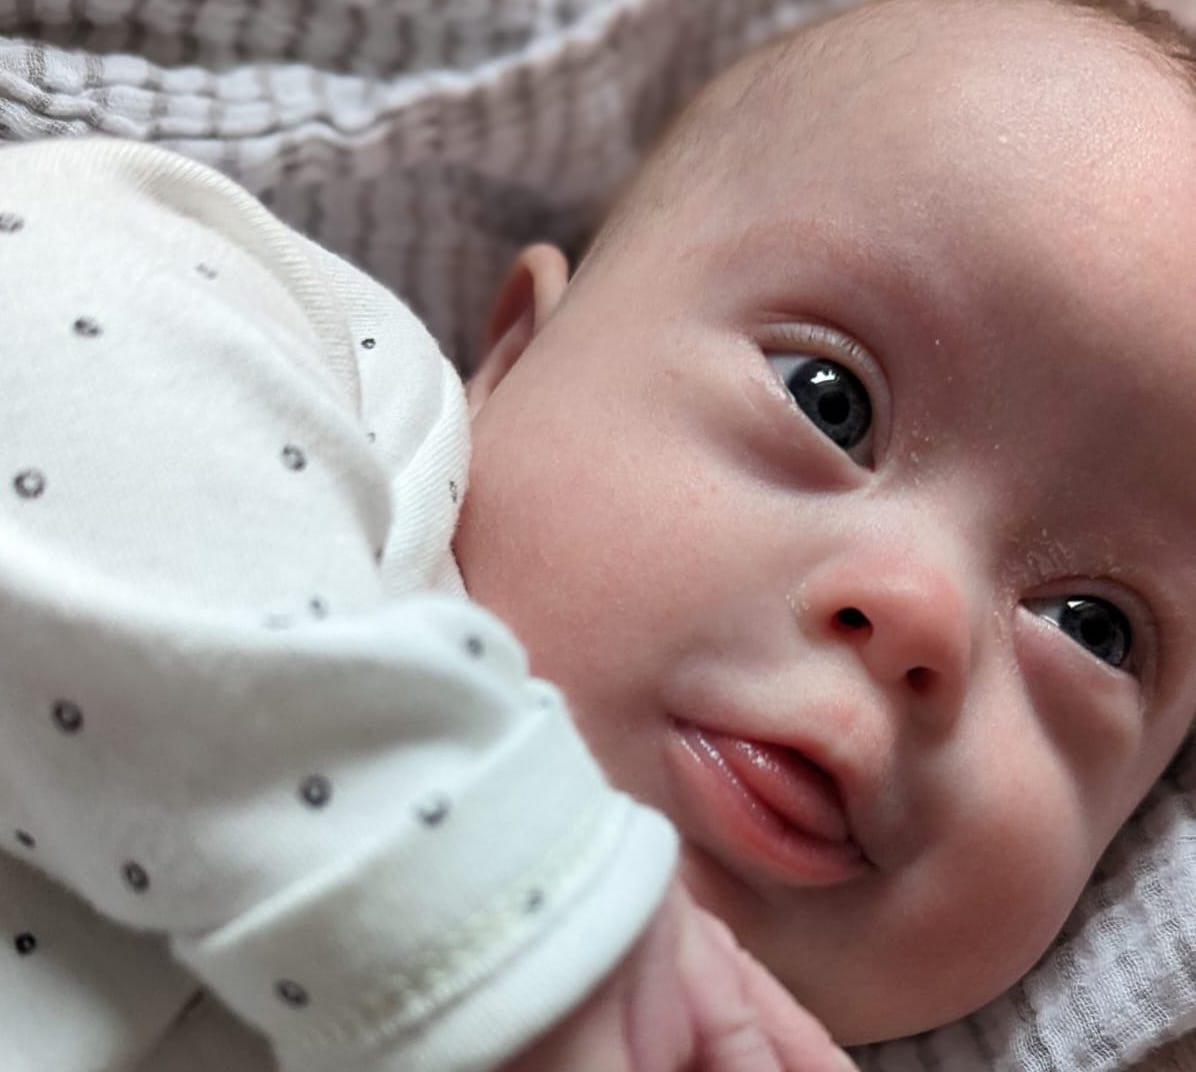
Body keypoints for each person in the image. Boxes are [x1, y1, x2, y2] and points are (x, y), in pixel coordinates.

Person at [0, 0, 1193, 1069]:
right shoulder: (364, 449)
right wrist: (479, 904)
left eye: (1092, 625)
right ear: (516, 357)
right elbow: (48, 306)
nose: (919, 613)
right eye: (828, 400)